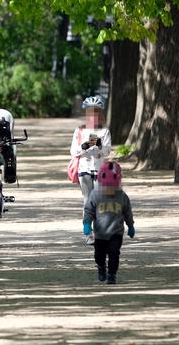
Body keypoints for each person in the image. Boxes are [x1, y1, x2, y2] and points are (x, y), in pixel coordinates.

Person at [83, 161, 135, 285]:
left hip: (116, 233)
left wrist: (131, 225)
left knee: (114, 254)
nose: (109, 190)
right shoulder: (95, 195)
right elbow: (89, 210)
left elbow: (127, 211)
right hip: (100, 233)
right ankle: (101, 267)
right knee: (99, 256)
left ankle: (112, 274)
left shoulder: (122, 196)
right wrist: (87, 224)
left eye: (112, 187)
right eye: (107, 187)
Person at [70, 95, 111, 244]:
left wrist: (99, 145)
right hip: (84, 170)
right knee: (87, 201)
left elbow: (107, 152)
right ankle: (88, 233)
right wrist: (84, 146)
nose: (93, 116)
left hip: (99, 170)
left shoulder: (105, 132)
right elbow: (73, 152)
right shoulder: (79, 131)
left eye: (96, 112)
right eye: (90, 112)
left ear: (100, 114)